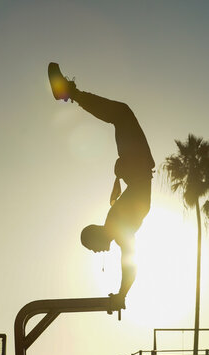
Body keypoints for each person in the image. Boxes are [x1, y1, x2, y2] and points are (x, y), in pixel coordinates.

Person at [48, 63, 154, 309]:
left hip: (137, 169)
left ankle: (70, 92)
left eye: (93, 247)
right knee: (121, 115)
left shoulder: (116, 227)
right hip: (136, 171)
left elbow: (131, 265)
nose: (97, 253)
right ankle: (69, 92)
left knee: (121, 115)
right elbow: (131, 264)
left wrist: (122, 293)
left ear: (97, 233)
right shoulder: (117, 229)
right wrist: (122, 293)